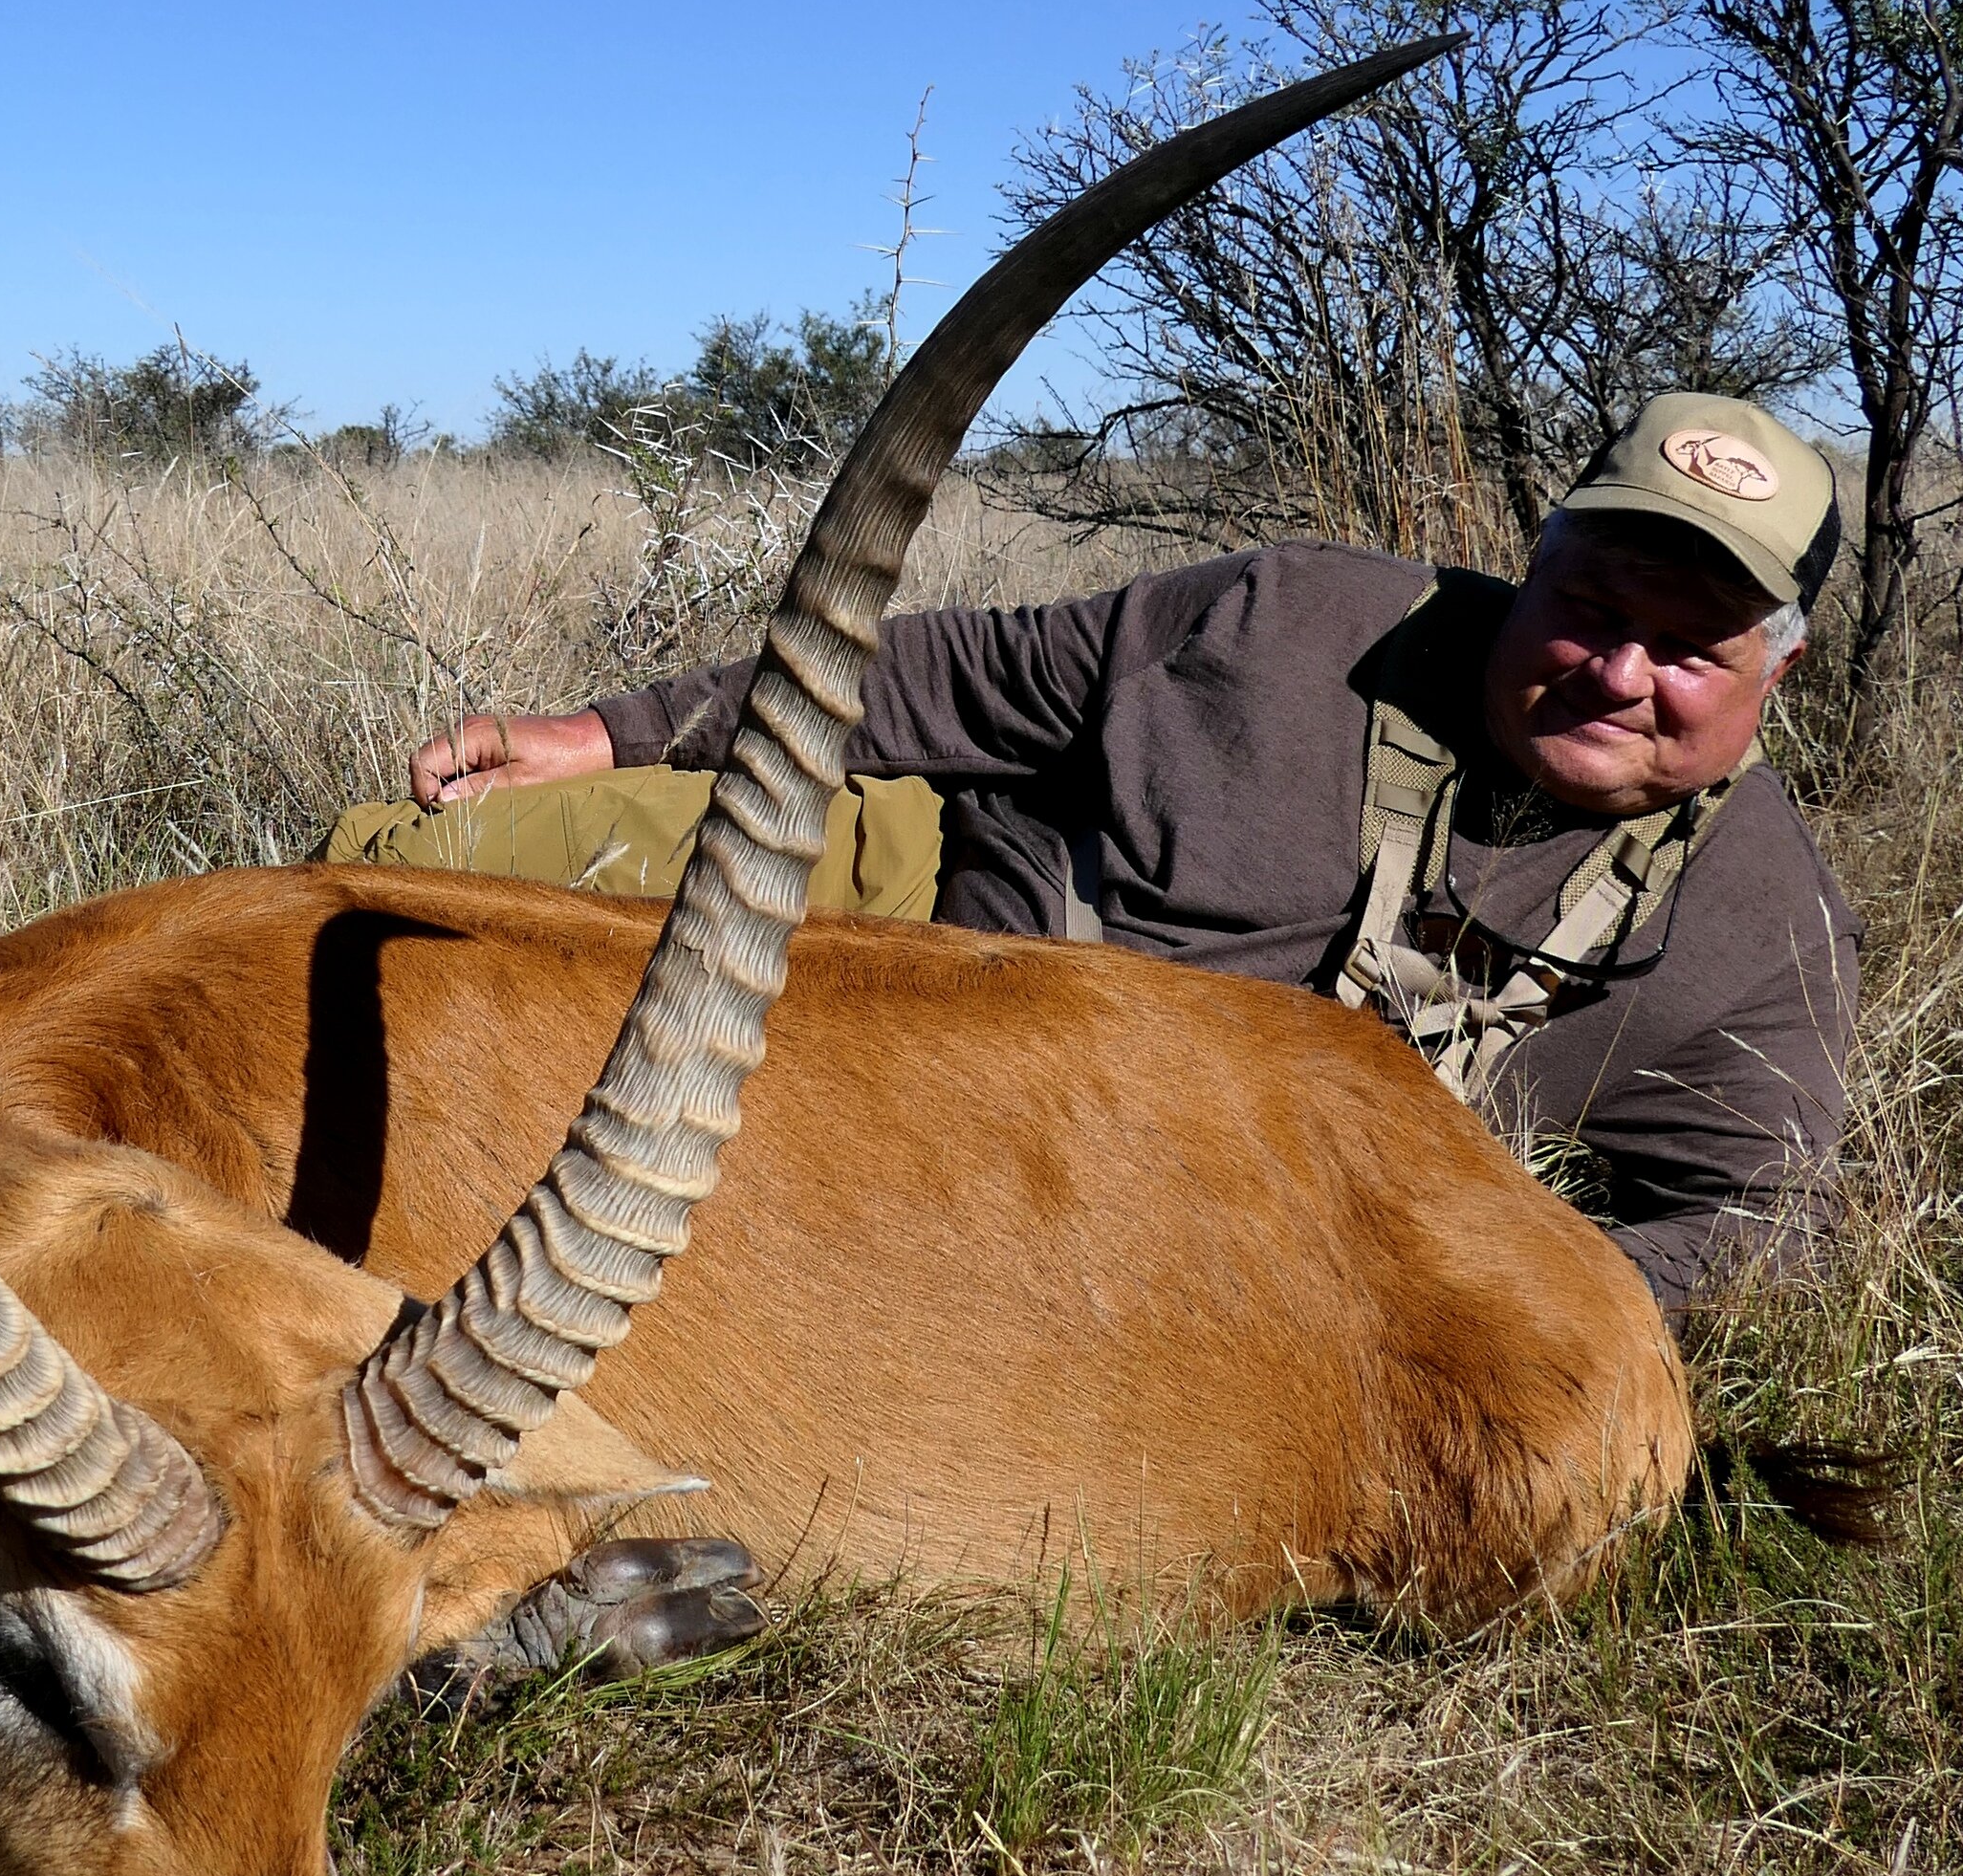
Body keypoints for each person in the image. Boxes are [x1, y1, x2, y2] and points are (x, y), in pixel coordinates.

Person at [389, 394, 1857, 1319]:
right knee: (402, 873)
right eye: (1594, 608)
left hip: (1098, 1229)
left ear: (1775, 674)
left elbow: (1763, 1229)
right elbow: (955, 681)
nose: (1619, 671)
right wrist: (612, 729)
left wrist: (1480, 1285)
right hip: (916, 922)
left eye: (1688, 650)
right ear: (1529, 561)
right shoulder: (1297, 618)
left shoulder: (1760, 921)